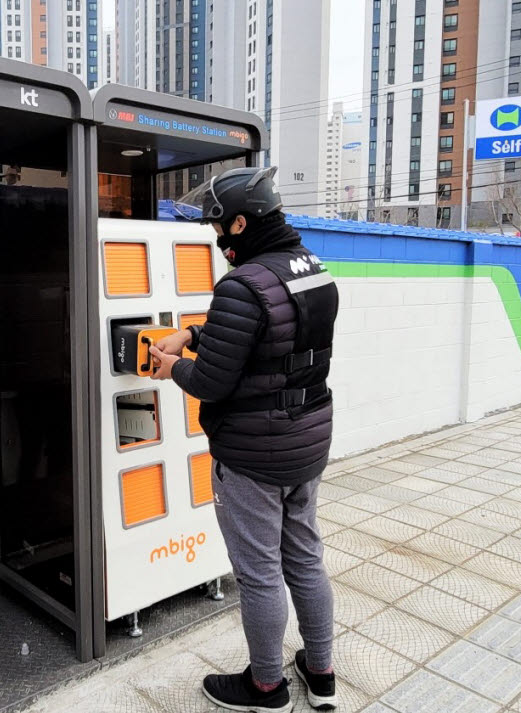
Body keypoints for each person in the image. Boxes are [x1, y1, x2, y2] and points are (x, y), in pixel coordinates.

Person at [151, 167, 339, 712]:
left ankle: (265, 687)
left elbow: (212, 379)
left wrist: (172, 367)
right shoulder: (312, 268)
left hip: (254, 453)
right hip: (308, 439)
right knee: (305, 559)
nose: (217, 239)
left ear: (241, 222)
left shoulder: (241, 283)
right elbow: (271, 340)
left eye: (219, 228)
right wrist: (191, 332)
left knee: (259, 575)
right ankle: (321, 673)